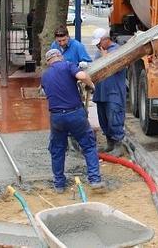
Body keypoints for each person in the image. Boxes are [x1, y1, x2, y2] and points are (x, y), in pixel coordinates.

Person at [40, 48, 104, 193]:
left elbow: (45, 91)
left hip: (56, 116)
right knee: (88, 146)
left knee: (57, 150)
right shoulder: (68, 65)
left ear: (48, 61)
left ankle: (59, 184)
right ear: (59, 57)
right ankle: (94, 180)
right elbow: (81, 75)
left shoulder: (45, 75)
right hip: (75, 113)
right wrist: (91, 85)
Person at [91, 28, 127, 156]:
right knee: (104, 118)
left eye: (99, 43)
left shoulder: (117, 50)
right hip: (101, 92)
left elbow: (118, 66)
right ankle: (109, 143)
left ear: (106, 40)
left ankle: (118, 144)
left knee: (114, 117)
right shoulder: (99, 52)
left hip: (114, 92)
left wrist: (105, 57)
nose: (97, 45)